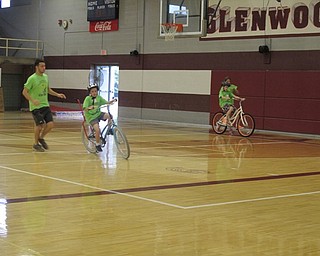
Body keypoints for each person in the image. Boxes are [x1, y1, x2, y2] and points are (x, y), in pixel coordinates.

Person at [22, 59, 66, 152]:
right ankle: (35, 144)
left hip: (45, 105)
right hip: (36, 107)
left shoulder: (45, 77)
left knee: (50, 124)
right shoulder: (32, 78)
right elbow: (24, 92)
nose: (44, 68)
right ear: (36, 67)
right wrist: (32, 100)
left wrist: (57, 94)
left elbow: (48, 90)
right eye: (41, 66)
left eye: (44, 66)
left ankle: (41, 138)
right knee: (39, 125)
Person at [82, 84, 117, 152]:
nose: (94, 93)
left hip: (98, 114)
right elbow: (84, 108)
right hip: (91, 117)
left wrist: (112, 101)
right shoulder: (87, 99)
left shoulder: (99, 98)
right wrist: (89, 108)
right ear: (90, 92)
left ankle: (109, 129)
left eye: (95, 91)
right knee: (97, 130)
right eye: (92, 91)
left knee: (110, 116)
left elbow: (106, 102)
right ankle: (98, 144)